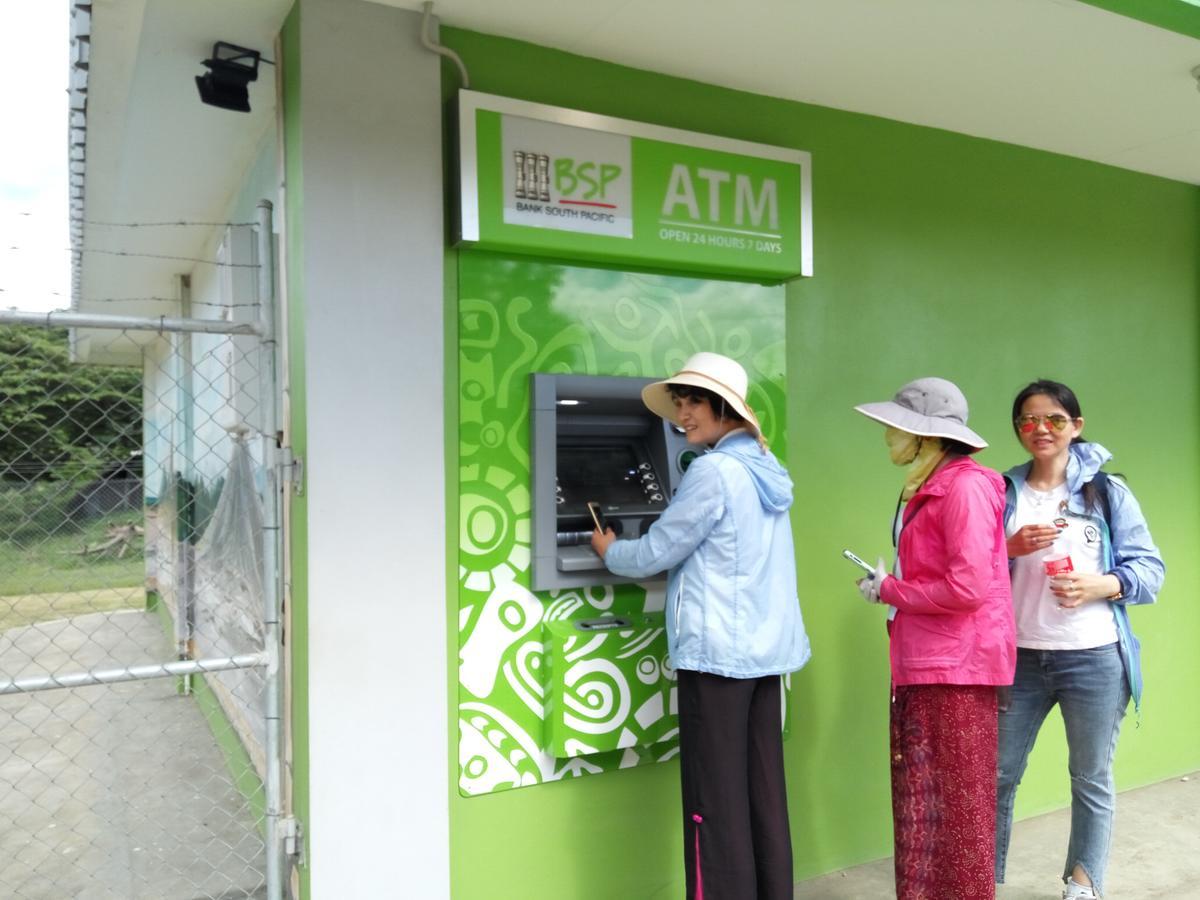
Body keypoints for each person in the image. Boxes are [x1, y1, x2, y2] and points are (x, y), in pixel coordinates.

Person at [590, 351, 810, 900]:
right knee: (762, 794)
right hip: (765, 654)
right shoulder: (766, 465)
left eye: (693, 403)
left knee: (712, 802)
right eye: (679, 404)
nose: (682, 414)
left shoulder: (713, 471)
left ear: (724, 407)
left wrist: (611, 550)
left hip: (717, 655)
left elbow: (658, 551)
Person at [994, 380, 1164, 900]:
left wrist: (1101, 585)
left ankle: (1083, 883)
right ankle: (981, 879)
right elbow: (970, 570)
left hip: (1093, 657)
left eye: (1054, 419)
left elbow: (1150, 571)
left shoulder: (1108, 491)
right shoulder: (1000, 492)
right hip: (1018, 657)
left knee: (1090, 776)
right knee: (995, 774)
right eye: (1027, 419)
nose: (1040, 429)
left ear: (1077, 426)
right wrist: (1008, 547)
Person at [853, 377, 1015, 900]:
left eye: (894, 429)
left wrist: (892, 589)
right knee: (926, 806)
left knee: (958, 814)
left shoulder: (963, 486)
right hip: (928, 661)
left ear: (926, 438)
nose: (886, 438)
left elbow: (968, 588)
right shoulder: (929, 484)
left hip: (956, 670)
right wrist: (889, 590)